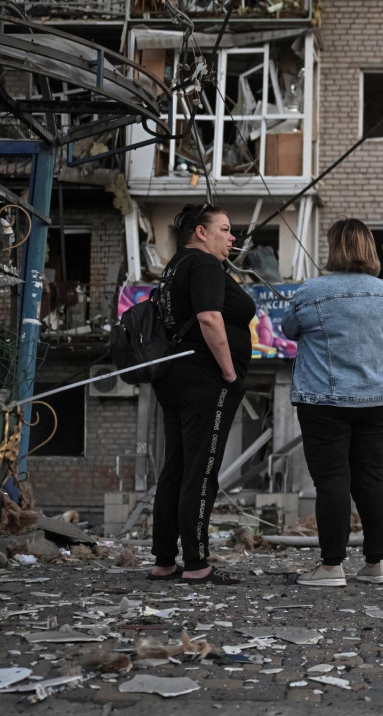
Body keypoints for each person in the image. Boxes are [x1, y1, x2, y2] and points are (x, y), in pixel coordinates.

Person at [282, 219, 383, 588]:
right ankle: (376, 564)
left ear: (335, 248)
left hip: (324, 400)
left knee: (332, 480)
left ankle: (332, 567)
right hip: (378, 398)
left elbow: (287, 330)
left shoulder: (312, 291)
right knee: (370, 478)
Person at [148, 203, 254, 585]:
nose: (232, 237)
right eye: (225, 229)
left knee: (177, 466)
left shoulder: (174, 266)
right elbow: (210, 318)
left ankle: (164, 560)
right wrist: (229, 372)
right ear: (200, 231)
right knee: (202, 468)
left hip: (174, 377)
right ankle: (196, 563)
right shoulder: (205, 264)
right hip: (204, 379)